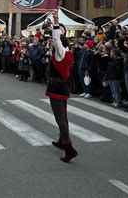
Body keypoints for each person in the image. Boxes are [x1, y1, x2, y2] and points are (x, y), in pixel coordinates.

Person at [45, 10, 78, 163]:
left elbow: (56, 37)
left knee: (60, 118)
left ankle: (68, 147)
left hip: (57, 86)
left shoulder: (60, 53)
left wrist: (56, 20)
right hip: (62, 85)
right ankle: (61, 140)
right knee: (63, 115)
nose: (52, 42)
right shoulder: (67, 52)